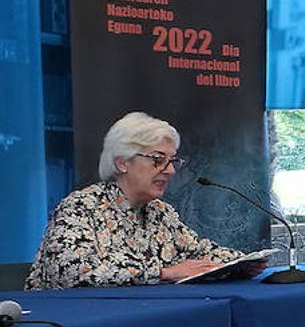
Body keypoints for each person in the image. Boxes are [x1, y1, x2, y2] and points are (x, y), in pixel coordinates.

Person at [27, 111, 244, 289]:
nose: (170, 171)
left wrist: (240, 263)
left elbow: (198, 252)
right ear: (123, 163)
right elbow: (71, 270)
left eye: (172, 161)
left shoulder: (160, 212)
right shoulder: (80, 207)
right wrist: (163, 273)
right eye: (158, 160)